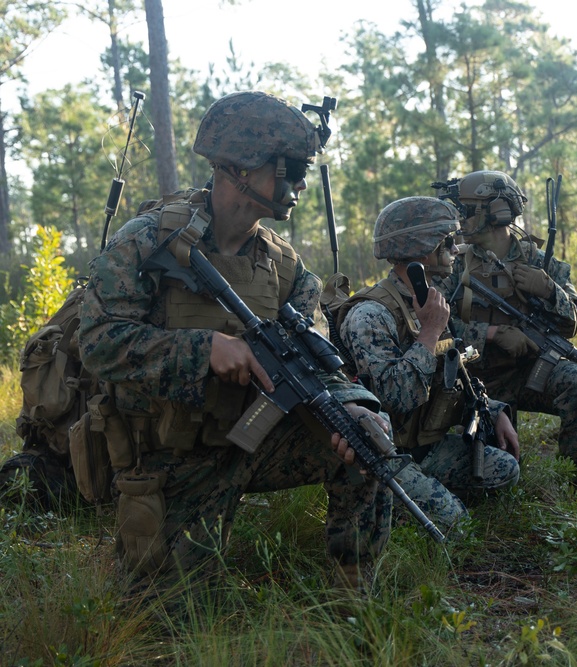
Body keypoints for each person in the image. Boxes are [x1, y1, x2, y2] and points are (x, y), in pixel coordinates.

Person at [77, 91, 391, 585]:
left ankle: (354, 597)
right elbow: (96, 342)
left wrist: (353, 406)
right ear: (241, 168)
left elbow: (318, 357)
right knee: (162, 621)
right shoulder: (147, 240)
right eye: (289, 169)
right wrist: (205, 350)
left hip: (256, 439)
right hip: (173, 455)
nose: (302, 184)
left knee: (365, 444)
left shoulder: (285, 265)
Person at [337, 196, 520, 533]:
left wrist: (494, 410)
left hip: (426, 443)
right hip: (385, 453)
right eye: (447, 241)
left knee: (505, 469)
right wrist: (431, 330)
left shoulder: (430, 300)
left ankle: (427, 492)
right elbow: (394, 398)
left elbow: (452, 372)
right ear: (422, 248)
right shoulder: (371, 315)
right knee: (457, 527)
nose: (456, 248)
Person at [434, 170, 577, 486]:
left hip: (527, 374)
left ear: (498, 212)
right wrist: (490, 334)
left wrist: (550, 291)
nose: (460, 219)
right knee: (499, 476)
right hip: (476, 379)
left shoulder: (538, 261)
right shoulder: (453, 264)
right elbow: (434, 331)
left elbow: (574, 321)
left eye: (467, 211)